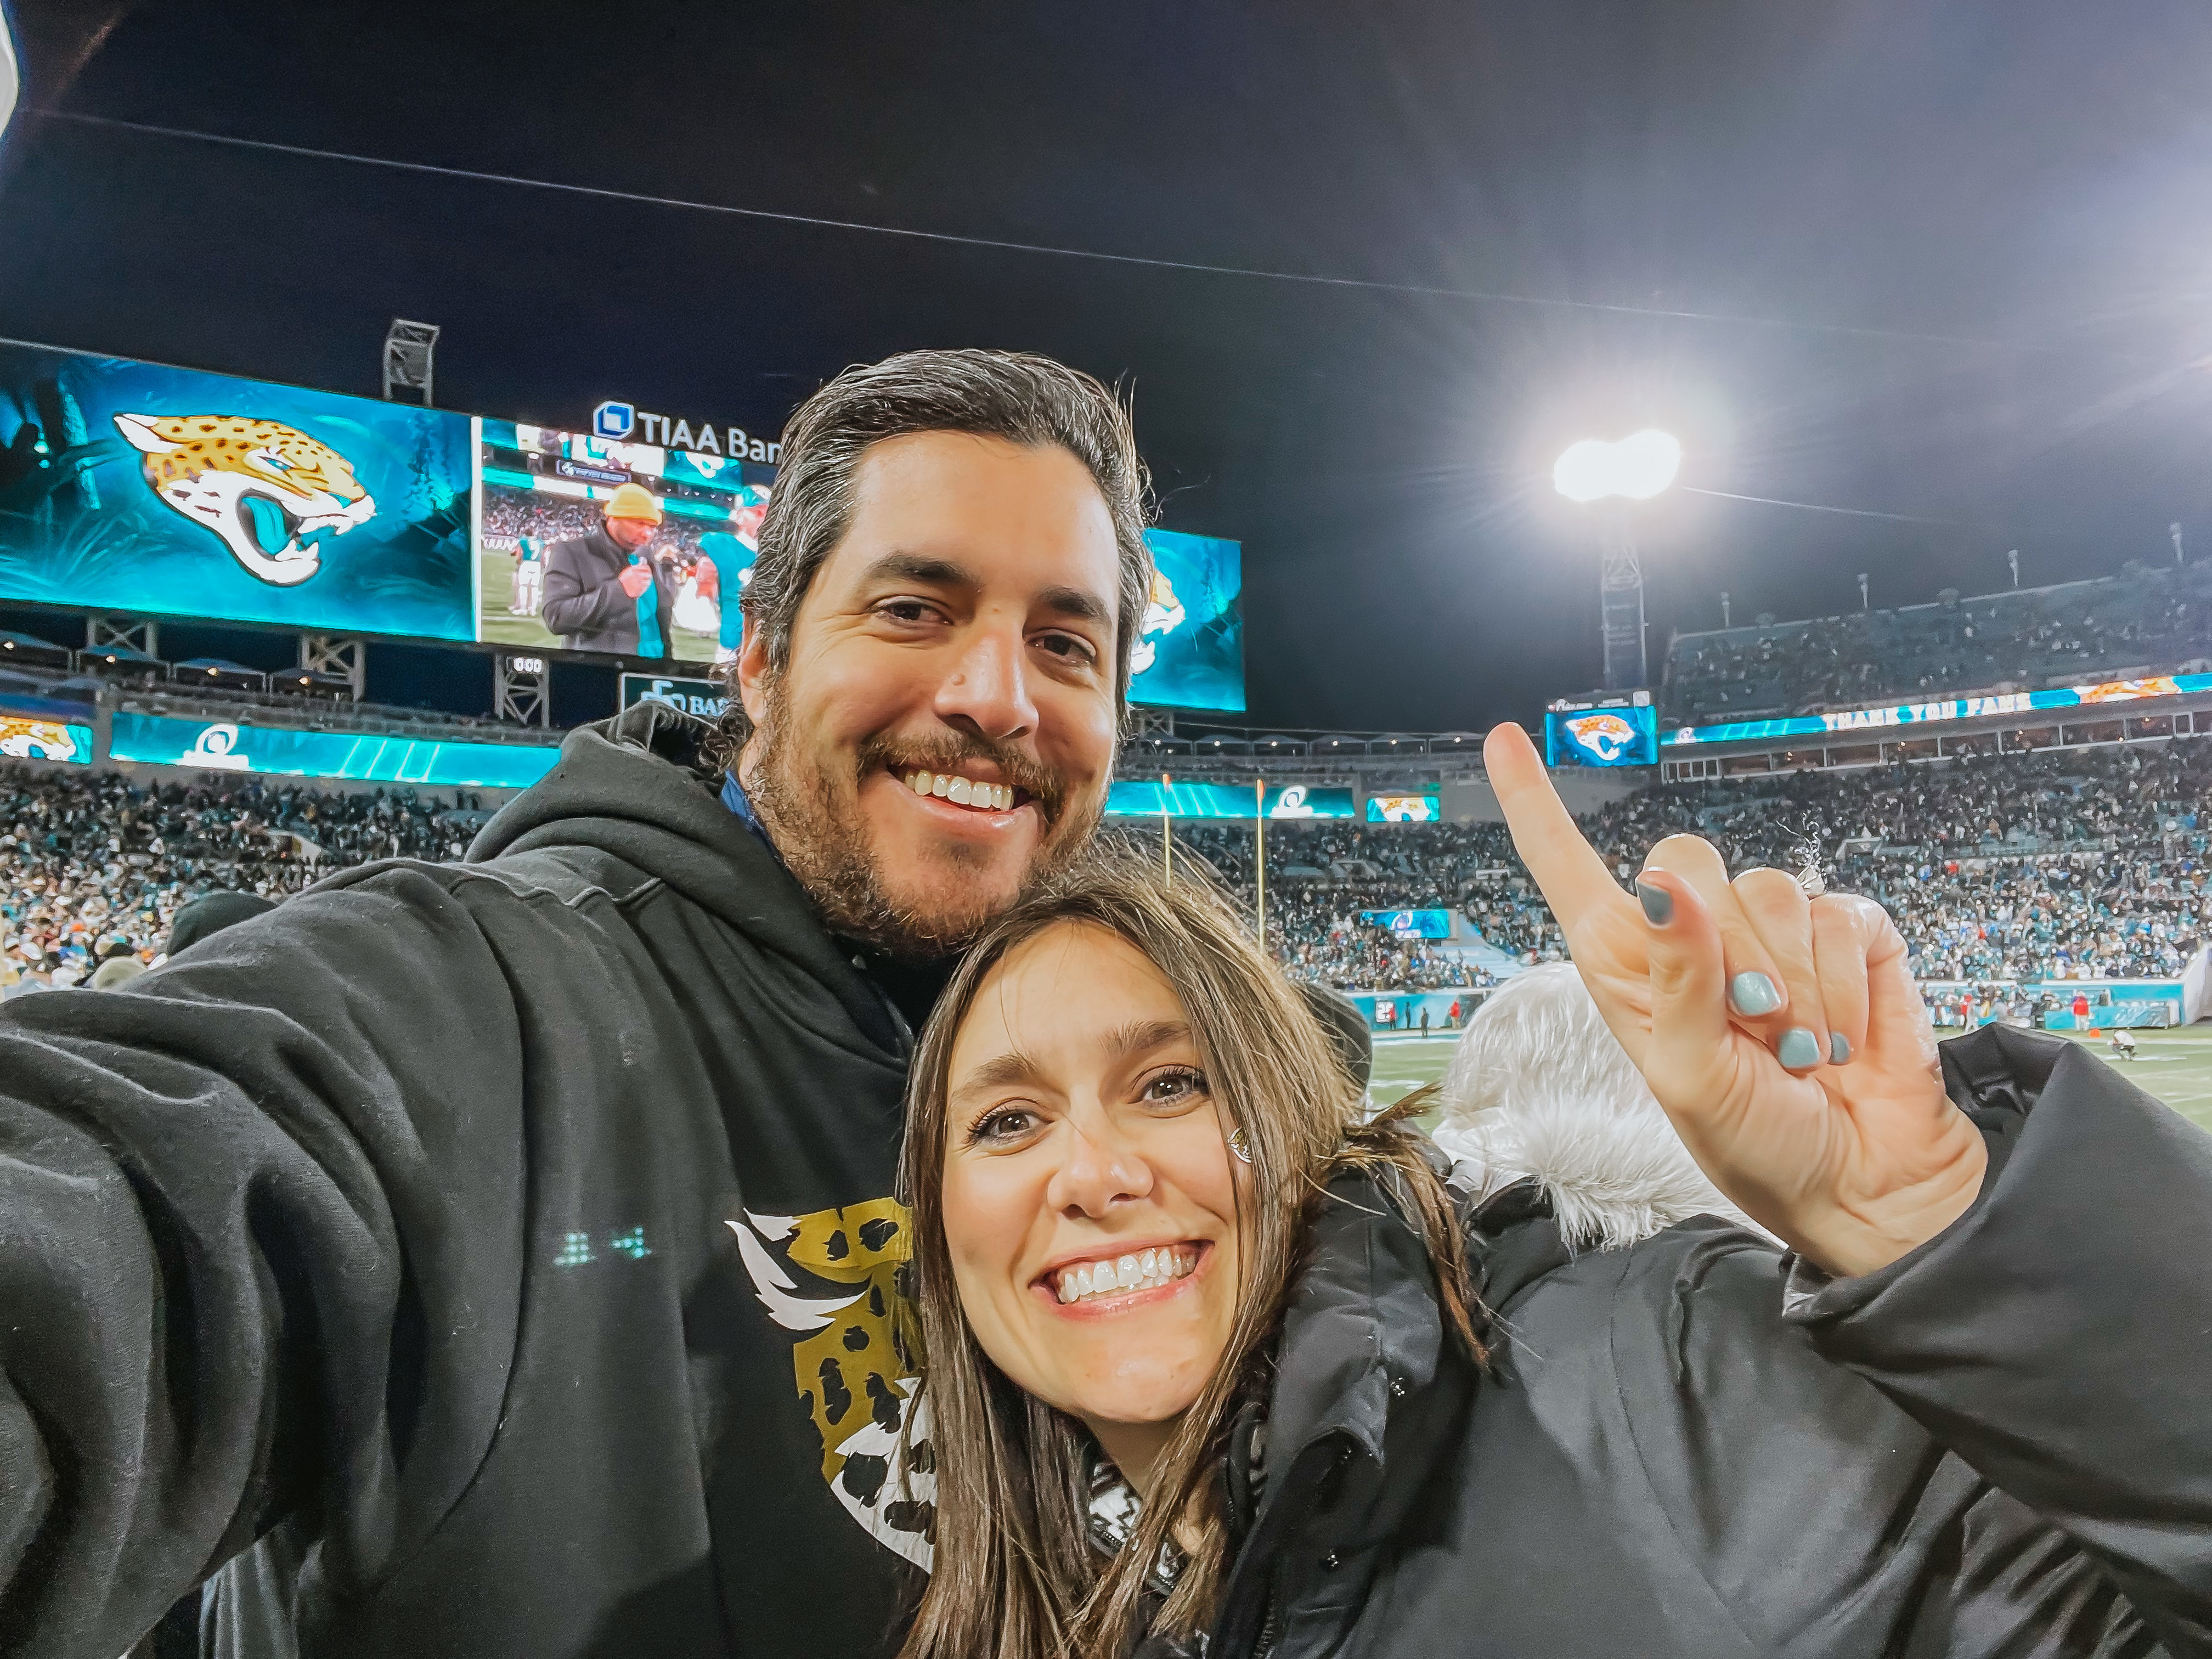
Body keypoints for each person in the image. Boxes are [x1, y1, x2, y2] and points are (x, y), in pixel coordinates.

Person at [0, 348, 1154, 1659]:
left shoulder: (1114, 1084)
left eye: (1063, 642)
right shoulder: (468, 1005)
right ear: (763, 663)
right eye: (912, 610)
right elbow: (115, 1223)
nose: (997, 697)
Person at [891, 725, 2212, 1659]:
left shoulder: (1664, 1370)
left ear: (1300, 1126)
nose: (1097, 1173)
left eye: (1172, 1085)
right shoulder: (1068, 1607)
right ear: (941, 1227)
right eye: (1006, 1120)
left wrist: (1946, 1230)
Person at [538, 481, 679, 657]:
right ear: (613, 518)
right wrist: (620, 591)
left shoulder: (646, 555)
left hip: (653, 672)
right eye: (639, 523)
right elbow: (556, 618)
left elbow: (658, 619)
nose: (647, 534)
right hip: (602, 673)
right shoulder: (572, 552)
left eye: (652, 527)